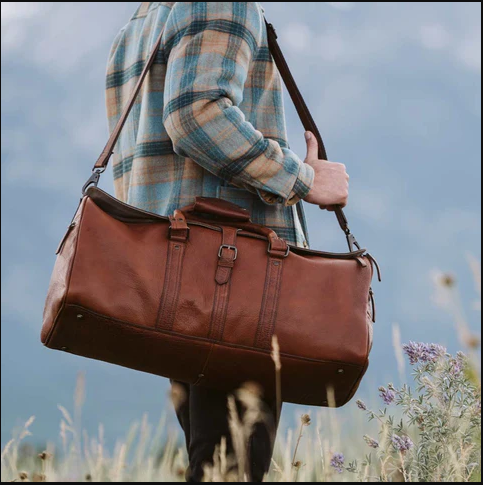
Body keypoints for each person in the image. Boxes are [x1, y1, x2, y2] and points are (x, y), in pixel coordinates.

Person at [106, 2, 349, 482]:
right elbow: (197, 115)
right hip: (232, 278)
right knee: (233, 467)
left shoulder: (144, 18)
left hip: (175, 273)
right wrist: (302, 179)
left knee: (216, 463)